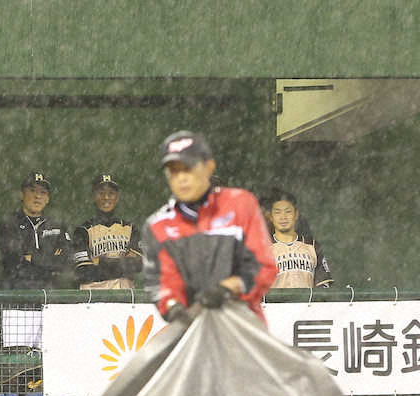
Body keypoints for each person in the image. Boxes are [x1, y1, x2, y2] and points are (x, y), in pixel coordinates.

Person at [142, 131, 277, 323]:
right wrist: (174, 308)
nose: (182, 178)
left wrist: (228, 289)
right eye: (174, 171)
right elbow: (162, 282)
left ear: (209, 166)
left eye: (188, 168)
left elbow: (263, 267)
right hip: (192, 328)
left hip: (243, 326)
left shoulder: (240, 204)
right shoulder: (157, 226)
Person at [0, 171, 70, 290]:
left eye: (43, 192)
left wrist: (32, 258)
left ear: (47, 199)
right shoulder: (9, 223)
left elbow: (65, 260)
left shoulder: (57, 224)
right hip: (17, 294)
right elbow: (15, 262)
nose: (38, 196)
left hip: (51, 293)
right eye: (32, 190)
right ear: (22, 195)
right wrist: (49, 264)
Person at [71, 173, 143, 289]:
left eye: (111, 193)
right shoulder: (82, 231)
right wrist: (122, 263)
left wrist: (100, 262)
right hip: (93, 301)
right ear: (93, 196)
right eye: (101, 193)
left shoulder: (130, 228)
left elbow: (138, 265)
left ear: (117, 197)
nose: (106, 197)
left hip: (126, 300)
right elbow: (83, 271)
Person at [266, 190, 334, 289]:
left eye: (288, 211)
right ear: (271, 217)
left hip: (306, 304)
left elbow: (323, 284)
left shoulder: (312, 245)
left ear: (296, 214)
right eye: (277, 212)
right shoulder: (263, 249)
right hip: (275, 304)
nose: (283, 217)